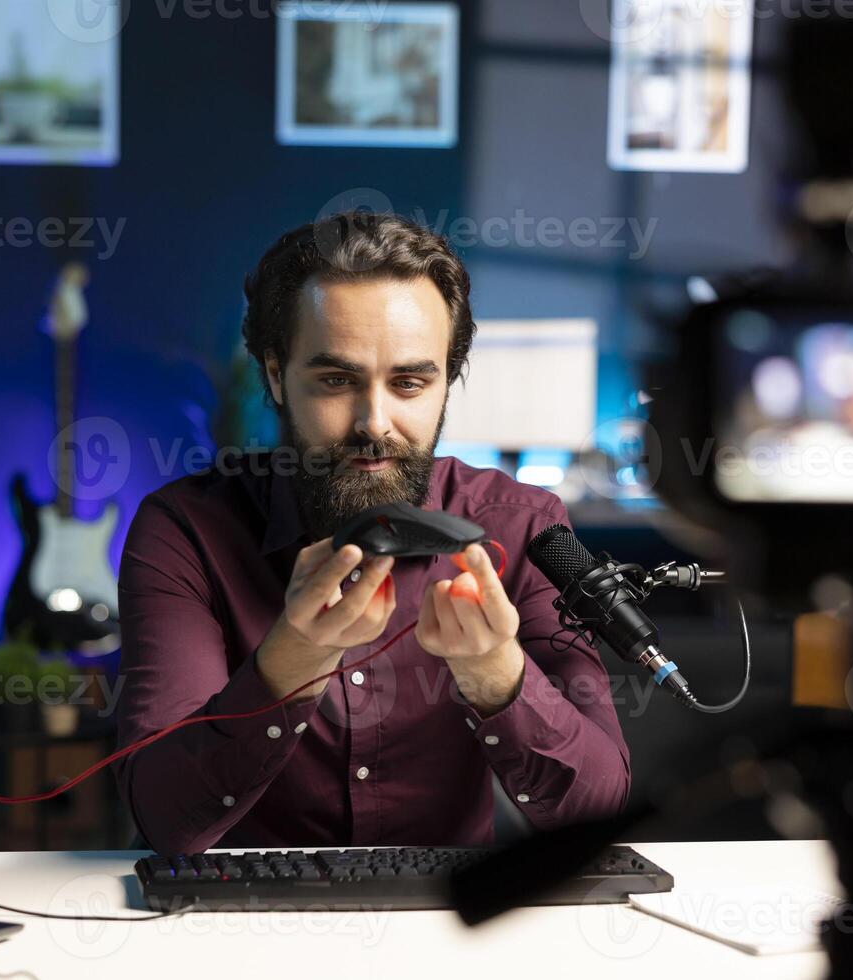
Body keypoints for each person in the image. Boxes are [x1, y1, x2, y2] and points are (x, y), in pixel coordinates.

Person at [114, 211, 630, 854]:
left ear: (448, 381)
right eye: (336, 380)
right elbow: (165, 820)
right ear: (276, 374)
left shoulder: (523, 527)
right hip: (237, 928)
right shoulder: (187, 531)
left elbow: (600, 814)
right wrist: (290, 661)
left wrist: (498, 675)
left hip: (456, 930)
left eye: (410, 382)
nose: (375, 422)